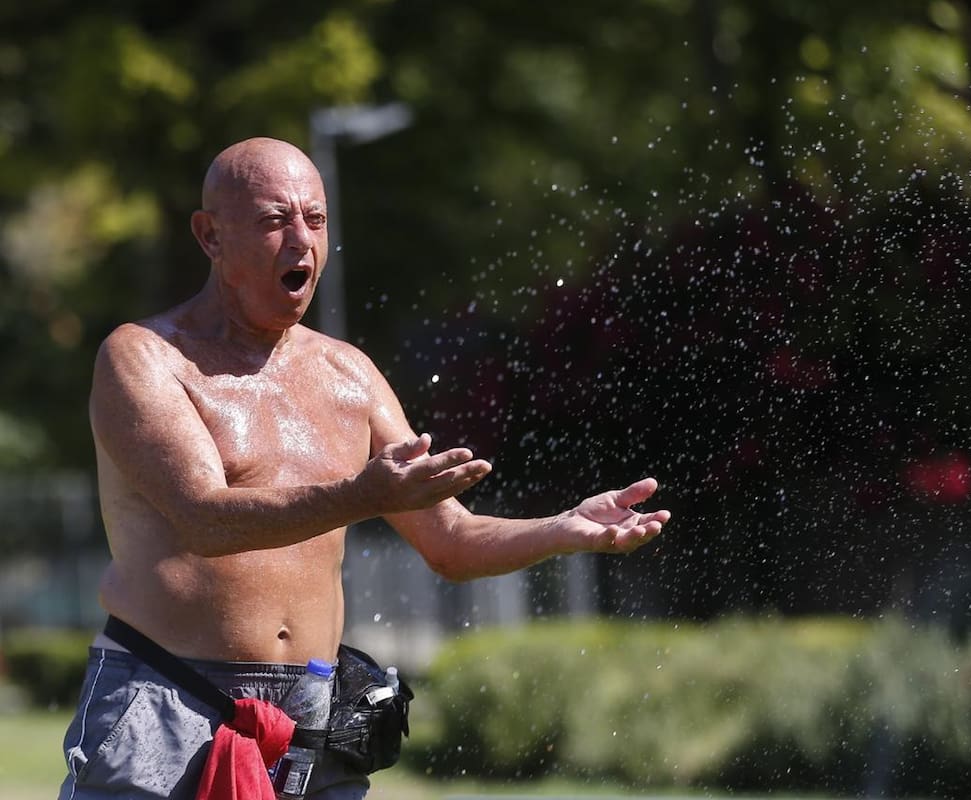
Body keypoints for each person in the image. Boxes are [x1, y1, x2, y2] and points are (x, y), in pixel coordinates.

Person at [59, 136, 670, 800]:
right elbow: (205, 519)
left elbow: (451, 542)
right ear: (210, 236)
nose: (301, 240)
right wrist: (361, 494)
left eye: (315, 220)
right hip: (168, 694)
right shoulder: (143, 358)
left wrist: (564, 527)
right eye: (273, 220)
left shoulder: (348, 374)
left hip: (312, 717)